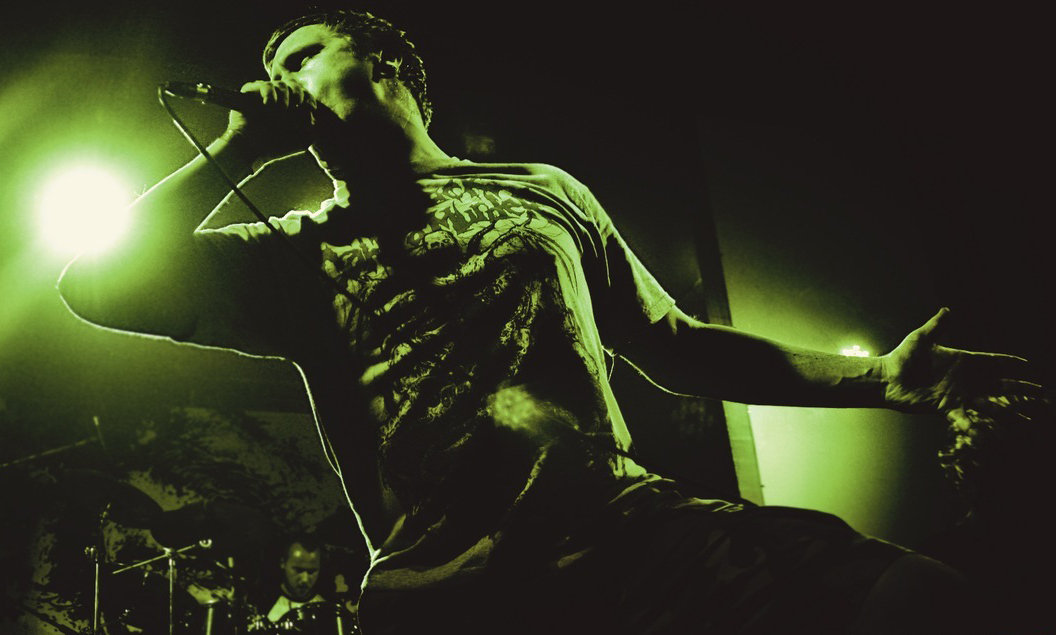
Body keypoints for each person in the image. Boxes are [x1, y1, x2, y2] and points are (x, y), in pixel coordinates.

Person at [58, 9, 1040, 634]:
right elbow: (99, 285)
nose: (285, 75)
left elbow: (673, 343)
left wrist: (882, 379)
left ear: (384, 60)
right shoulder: (291, 253)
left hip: (631, 529)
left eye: (304, 54)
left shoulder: (542, 189)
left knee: (916, 596)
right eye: (276, 67)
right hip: (452, 589)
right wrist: (238, 146)